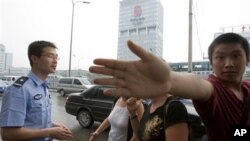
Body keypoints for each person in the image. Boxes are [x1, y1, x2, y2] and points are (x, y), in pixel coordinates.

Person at [89, 32, 250, 141]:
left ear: (247, 59)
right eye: (220, 57)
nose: (229, 64)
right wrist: (169, 80)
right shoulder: (213, 89)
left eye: (236, 56)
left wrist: (168, 80)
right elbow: (200, 86)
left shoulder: (173, 107)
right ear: (211, 63)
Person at [0, 40, 74, 141]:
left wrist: (55, 127)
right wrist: (49, 132)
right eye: (50, 56)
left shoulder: (43, 87)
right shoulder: (19, 89)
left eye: (56, 57)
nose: (55, 61)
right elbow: (8, 134)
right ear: (35, 59)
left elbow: (34, 122)